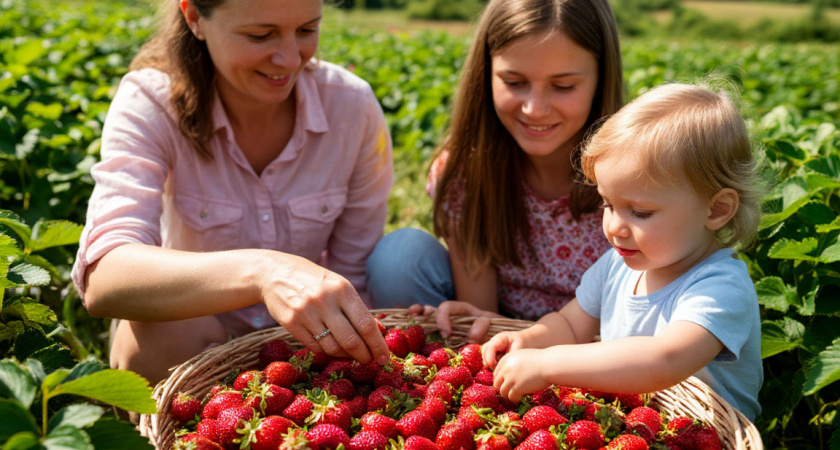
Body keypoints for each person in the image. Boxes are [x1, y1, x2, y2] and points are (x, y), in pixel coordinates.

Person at [71, 0, 394, 385]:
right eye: (261, 35)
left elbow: (353, 271)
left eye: (307, 30)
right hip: (193, 343)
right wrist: (264, 271)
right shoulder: (152, 101)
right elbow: (105, 278)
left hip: (304, 346)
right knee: (159, 330)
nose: (291, 59)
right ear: (194, 18)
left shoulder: (351, 106)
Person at [481, 82, 764, 421]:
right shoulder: (618, 264)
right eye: (608, 204)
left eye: (640, 212)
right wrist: (529, 342)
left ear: (717, 210)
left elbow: (664, 360)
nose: (614, 226)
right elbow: (571, 325)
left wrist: (548, 363)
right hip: (634, 426)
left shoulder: (720, 287)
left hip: (700, 435)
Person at [365, 0, 624, 342]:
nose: (534, 108)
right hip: (502, 333)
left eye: (563, 87)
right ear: (486, 74)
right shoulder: (468, 171)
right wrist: (490, 333)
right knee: (399, 258)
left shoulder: (631, 175)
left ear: (600, 79)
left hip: (608, 346)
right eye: (514, 82)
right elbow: (481, 313)